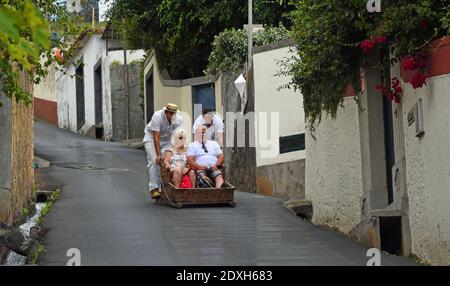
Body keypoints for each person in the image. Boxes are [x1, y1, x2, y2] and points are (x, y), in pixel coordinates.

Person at [143, 103, 183, 199]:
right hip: (151, 139)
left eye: (174, 113)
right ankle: (154, 188)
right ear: (166, 112)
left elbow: (178, 137)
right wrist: (158, 155)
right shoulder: (157, 116)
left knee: (168, 161)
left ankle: (164, 188)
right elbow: (156, 137)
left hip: (167, 141)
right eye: (170, 113)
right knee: (155, 161)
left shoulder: (179, 119)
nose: (172, 115)